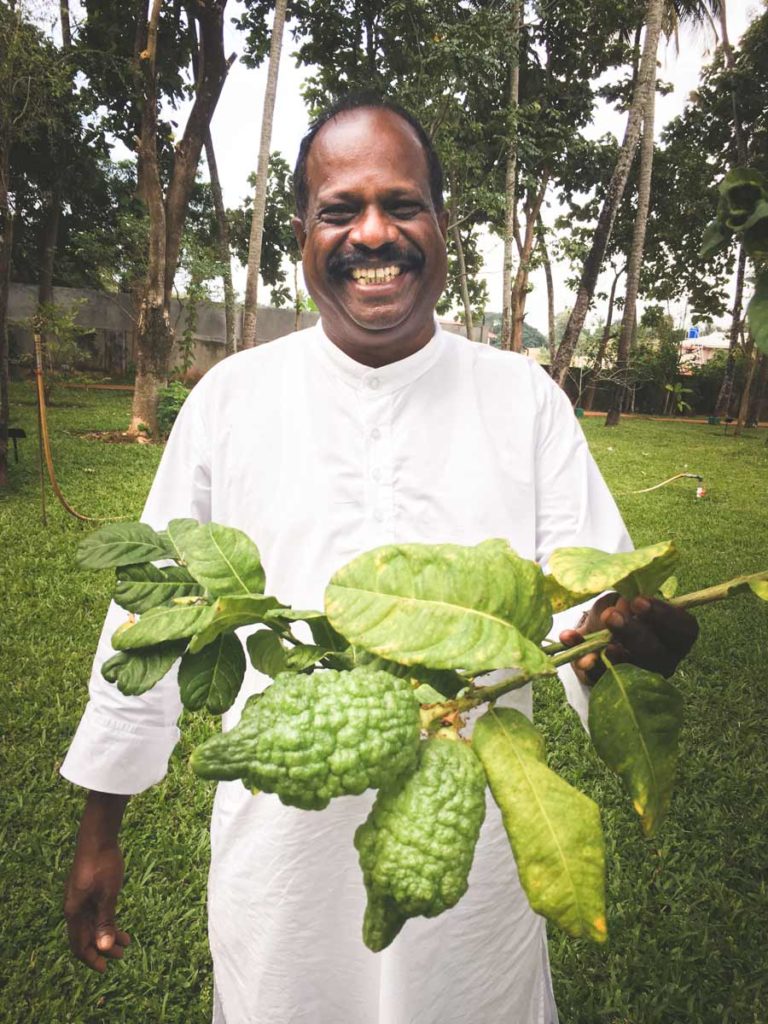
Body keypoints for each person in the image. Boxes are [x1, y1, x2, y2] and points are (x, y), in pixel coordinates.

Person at [62, 96, 698, 1024]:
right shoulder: (231, 401)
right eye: (340, 208)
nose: (373, 232)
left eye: (403, 204)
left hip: (463, 848)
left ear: (441, 226)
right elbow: (148, 621)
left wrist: (628, 636)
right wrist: (100, 824)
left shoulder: (522, 400)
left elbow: (588, 602)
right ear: (302, 233)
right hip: (281, 854)